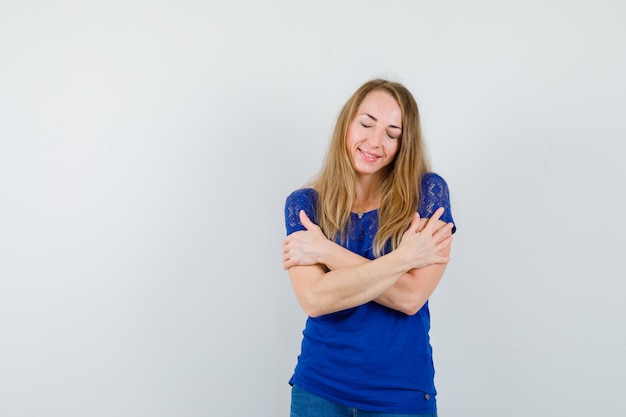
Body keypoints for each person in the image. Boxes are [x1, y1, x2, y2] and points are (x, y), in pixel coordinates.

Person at [282, 79, 456, 417]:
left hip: (399, 393)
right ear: (346, 123)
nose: (375, 142)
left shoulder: (428, 195)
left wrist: (327, 253)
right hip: (319, 388)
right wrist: (404, 259)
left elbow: (410, 298)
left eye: (392, 134)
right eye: (366, 124)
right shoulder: (305, 206)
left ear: (404, 144)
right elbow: (315, 299)